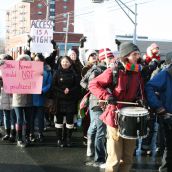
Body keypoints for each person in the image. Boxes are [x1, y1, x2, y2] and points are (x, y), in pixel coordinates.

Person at [89, 42, 145, 172]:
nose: (138, 56)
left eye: (138, 54)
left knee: (128, 158)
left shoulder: (137, 71)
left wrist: (142, 100)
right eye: (134, 54)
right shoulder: (113, 71)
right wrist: (107, 96)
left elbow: (140, 92)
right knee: (114, 157)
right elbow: (93, 84)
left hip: (131, 118)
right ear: (126, 56)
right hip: (114, 117)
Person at [81, 48, 115, 167]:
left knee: (96, 127)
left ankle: (93, 149)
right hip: (97, 103)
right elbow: (89, 84)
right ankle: (99, 159)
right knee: (101, 130)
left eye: (112, 57)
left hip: (107, 103)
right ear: (103, 59)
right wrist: (102, 93)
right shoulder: (96, 70)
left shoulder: (112, 70)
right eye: (110, 57)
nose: (112, 59)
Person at [145, 51, 172, 172]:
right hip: (169, 115)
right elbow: (149, 86)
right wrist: (158, 106)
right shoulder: (165, 74)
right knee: (170, 147)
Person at [52, 56, 80, 147]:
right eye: (63, 62)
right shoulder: (57, 73)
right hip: (59, 100)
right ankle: (59, 139)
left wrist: (70, 90)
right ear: (60, 63)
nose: (65, 63)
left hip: (70, 101)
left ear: (70, 63)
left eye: (67, 62)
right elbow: (54, 86)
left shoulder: (74, 73)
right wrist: (63, 90)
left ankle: (68, 139)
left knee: (69, 121)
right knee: (59, 121)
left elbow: (77, 86)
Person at [31, 53, 52, 142]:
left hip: (40, 97)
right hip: (30, 97)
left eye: (39, 60)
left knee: (40, 117)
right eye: (35, 60)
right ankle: (31, 133)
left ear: (42, 61)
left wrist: (42, 90)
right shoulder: (29, 69)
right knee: (31, 117)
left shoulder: (47, 71)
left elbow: (49, 83)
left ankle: (40, 133)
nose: (37, 62)